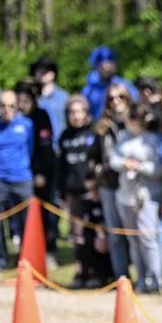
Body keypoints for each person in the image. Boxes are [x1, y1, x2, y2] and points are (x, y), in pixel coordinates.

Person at [109, 104, 162, 291]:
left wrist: (139, 166)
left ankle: (156, 278)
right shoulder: (123, 137)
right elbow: (113, 160)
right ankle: (141, 279)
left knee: (148, 237)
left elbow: (158, 169)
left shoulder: (152, 140)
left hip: (147, 194)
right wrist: (126, 163)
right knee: (133, 239)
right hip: (125, 194)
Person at [15, 81, 59, 265]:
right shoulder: (13, 118)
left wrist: (40, 173)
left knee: (45, 213)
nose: (22, 104)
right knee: (20, 216)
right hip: (19, 174)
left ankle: (49, 251)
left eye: (26, 100)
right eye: (20, 100)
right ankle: (25, 252)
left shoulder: (41, 116)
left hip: (41, 174)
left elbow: (45, 147)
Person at [92, 86, 133, 279]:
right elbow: (93, 155)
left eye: (120, 97)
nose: (116, 101)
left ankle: (149, 277)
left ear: (127, 99)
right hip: (109, 184)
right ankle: (121, 277)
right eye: (111, 98)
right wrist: (96, 171)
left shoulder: (135, 122)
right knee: (115, 234)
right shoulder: (103, 127)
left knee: (138, 233)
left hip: (133, 183)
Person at [57, 96, 99, 287]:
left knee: (95, 233)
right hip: (73, 192)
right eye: (72, 112)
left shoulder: (94, 132)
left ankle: (95, 272)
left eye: (79, 111)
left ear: (86, 112)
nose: (76, 115)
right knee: (78, 235)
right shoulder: (65, 136)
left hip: (93, 192)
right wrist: (62, 193)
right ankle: (81, 271)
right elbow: (61, 166)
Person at [0, 90, 34, 269]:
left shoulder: (27, 125)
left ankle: (26, 258)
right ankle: (0, 259)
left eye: (10, 105)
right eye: (3, 105)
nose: (7, 109)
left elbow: (31, 149)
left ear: (16, 105)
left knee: (27, 221)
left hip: (22, 179)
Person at [80, 46, 138, 120]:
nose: (106, 68)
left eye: (109, 64)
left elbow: (136, 105)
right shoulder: (89, 90)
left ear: (115, 65)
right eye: (102, 66)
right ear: (97, 67)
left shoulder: (125, 85)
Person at [30, 56, 68, 143]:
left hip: (58, 147)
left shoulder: (64, 97)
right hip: (36, 148)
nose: (42, 74)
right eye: (39, 70)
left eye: (46, 71)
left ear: (53, 74)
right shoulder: (29, 97)